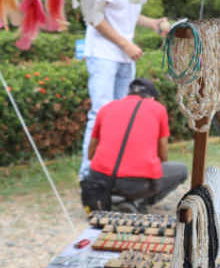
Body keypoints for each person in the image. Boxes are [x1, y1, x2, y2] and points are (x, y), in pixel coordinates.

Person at [78, 0, 172, 180]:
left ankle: (115, 171)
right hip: (104, 55)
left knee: (125, 116)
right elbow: (93, 16)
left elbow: (125, 12)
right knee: (100, 114)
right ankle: (88, 175)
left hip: (124, 57)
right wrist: (125, 44)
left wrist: (152, 23)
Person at [80, 77, 188, 211]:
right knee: (182, 170)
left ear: (128, 93)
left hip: (99, 179)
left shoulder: (107, 107)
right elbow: (163, 156)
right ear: (152, 98)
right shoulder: (158, 109)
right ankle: (138, 202)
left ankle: (115, 198)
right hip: (136, 185)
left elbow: (90, 154)